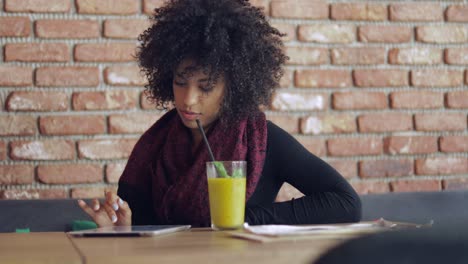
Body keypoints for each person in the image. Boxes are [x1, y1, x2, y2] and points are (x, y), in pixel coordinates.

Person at [78, 0, 361, 227]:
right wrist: (122, 227)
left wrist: (248, 220)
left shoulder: (261, 140)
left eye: (206, 87)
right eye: (180, 82)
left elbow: (346, 202)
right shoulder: (154, 146)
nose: (188, 100)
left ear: (233, 87)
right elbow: (139, 227)